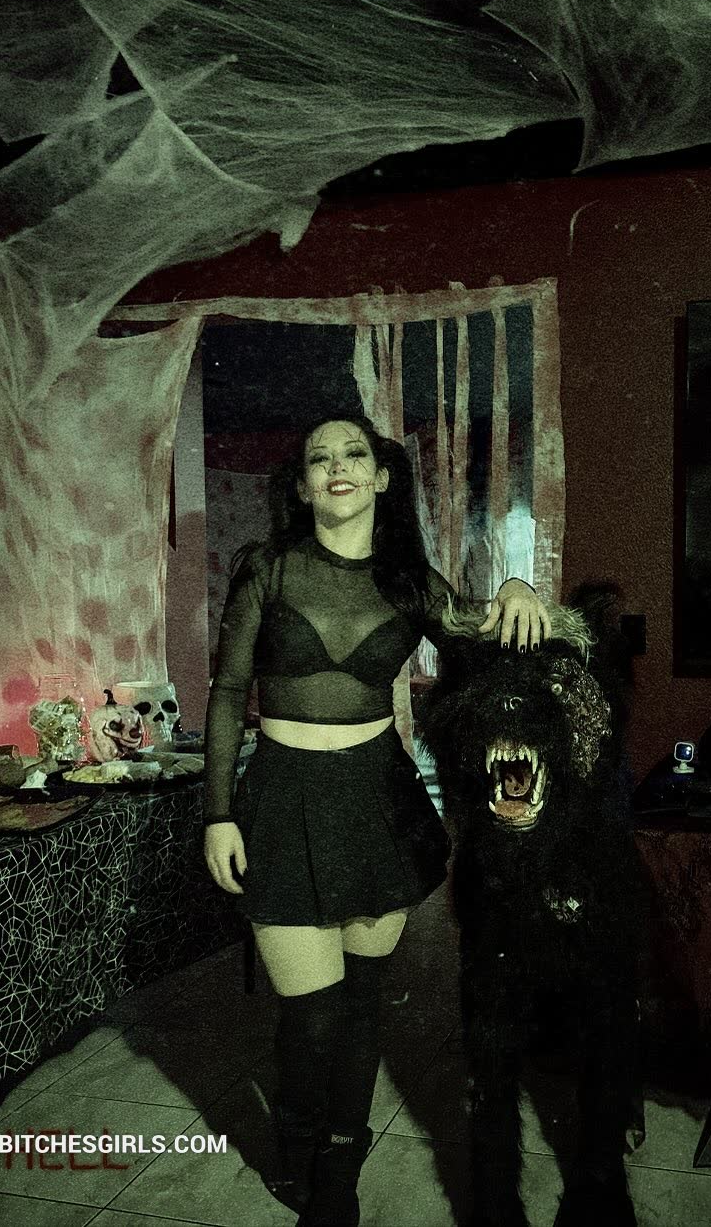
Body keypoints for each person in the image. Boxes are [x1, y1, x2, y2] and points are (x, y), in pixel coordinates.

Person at [202, 413, 549, 1227]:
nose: (338, 467)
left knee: (360, 1003)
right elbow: (227, 693)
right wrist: (217, 813)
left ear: (382, 477)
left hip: (377, 801)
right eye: (319, 458)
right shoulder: (269, 570)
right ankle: (297, 1136)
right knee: (310, 1013)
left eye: (354, 454)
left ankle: (339, 1164)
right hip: (282, 796)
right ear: (301, 486)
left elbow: (484, 633)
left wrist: (517, 588)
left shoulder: (409, 581)